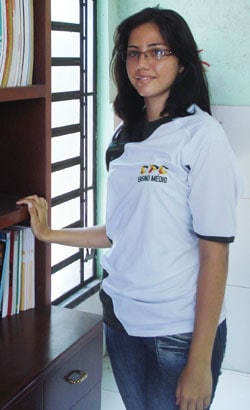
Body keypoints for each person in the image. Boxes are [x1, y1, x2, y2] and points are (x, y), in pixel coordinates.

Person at [17, 6, 243, 410]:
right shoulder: (126, 137)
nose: (142, 64)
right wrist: (50, 234)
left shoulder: (202, 137)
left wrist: (199, 363)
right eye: (134, 53)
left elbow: (214, 254)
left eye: (157, 52)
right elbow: (120, 231)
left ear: (183, 62)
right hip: (121, 320)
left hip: (177, 332)